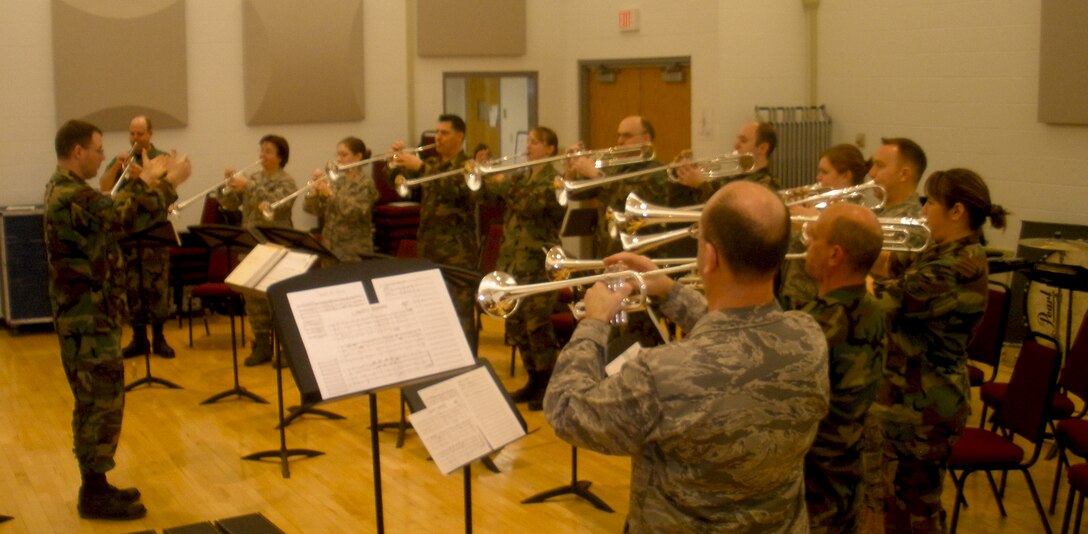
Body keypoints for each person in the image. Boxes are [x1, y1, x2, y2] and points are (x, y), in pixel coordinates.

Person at [545, 181, 830, 532]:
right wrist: (670, 292)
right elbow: (738, 338)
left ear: (710, 256)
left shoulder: (663, 373)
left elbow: (565, 410)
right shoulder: (809, 337)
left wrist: (594, 322)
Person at [44, 119, 191, 519]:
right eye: (97, 149)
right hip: (87, 321)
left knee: (100, 403)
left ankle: (98, 483)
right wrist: (167, 181)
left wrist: (147, 181)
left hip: (94, 317)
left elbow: (111, 207)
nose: (103, 155)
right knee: (98, 404)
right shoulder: (70, 195)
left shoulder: (70, 190)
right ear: (78, 152)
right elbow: (122, 215)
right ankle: (93, 494)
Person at [871, 168, 1008, 532]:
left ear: (957, 211)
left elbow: (881, 300)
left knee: (915, 510)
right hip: (907, 398)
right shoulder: (937, 249)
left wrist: (837, 258)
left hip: (926, 406)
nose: (924, 208)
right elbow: (886, 265)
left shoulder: (957, 266)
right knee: (900, 505)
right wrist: (845, 237)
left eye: (930, 201)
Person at [799, 203, 887, 532]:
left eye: (815, 237)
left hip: (814, 483)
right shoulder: (874, 308)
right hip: (848, 474)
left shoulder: (818, 324)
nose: (807, 244)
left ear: (835, 255)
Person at [481, 127, 565, 411]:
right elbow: (491, 194)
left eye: (537, 142)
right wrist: (484, 171)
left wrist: (503, 182)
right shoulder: (521, 177)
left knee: (537, 325)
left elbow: (530, 204)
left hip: (538, 263)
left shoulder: (555, 180)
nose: (529, 146)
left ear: (551, 148)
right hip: (513, 261)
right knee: (516, 325)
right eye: (529, 141)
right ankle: (533, 380)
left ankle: (548, 384)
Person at [389, 115, 478, 341]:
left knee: (460, 317)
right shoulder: (434, 165)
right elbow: (397, 182)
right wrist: (394, 163)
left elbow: (454, 189)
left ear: (460, 136)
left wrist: (419, 166)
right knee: (434, 317)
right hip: (429, 251)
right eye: (437, 132)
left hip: (457, 255)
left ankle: (469, 367)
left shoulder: (468, 166)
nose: (438, 137)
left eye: (444, 133)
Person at [99, 116, 178, 359]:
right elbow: (105, 188)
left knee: (157, 287)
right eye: (132, 134)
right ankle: (138, 338)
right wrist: (116, 167)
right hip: (128, 233)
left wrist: (144, 177)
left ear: (150, 134)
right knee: (131, 287)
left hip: (154, 231)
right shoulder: (122, 159)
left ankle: (159, 338)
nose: (135, 139)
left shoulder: (161, 158)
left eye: (140, 134)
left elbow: (169, 193)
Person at [217, 134, 296, 366]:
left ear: (280, 157)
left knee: (276, 299)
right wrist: (228, 185)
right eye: (261, 150)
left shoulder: (286, 182)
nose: (262, 155)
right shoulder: (254, 178)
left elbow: (279, 205)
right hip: (252, 247)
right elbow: (229, 204)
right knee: (253, 299)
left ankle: (285, 348)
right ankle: (261, 344)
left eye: (268, 151)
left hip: (275, 248)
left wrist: (249, 186)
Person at [779, 143, 869, 310]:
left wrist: (807, 222)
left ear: (845, 176)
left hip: (812, 295)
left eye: (824, 172)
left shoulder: (852, 212)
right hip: (793, 287)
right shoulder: (821, 204)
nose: (818, 177)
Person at [565, 115, 669, 257]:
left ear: (646, 138)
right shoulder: (612, 168)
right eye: (619, 136)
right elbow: (574, 193)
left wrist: (596, 176)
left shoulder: (657, 171)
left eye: (627, 136)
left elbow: (632, 202)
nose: (620, 141)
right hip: (607, 251)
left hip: (641, 253)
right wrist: (570, 168)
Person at [303, 136, 380, 265]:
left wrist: (330, 195)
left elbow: (355, 213)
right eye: (338, 155)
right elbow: (312, 210)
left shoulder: (365, 183)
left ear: (358, 156)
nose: (338, 159)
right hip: (329, 250)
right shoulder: (336, 180)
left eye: (344, 155)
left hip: (353, 252)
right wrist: (314, 192)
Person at [673, 120, 781, 198]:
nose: (736, 146)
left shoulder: (768, 185)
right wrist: (684, 174)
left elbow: (732, 213)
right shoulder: (731, 178)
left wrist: (702, 185)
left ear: (762, 148)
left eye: (743, 141)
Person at [867, 137, 927, 279]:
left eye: (879, 165)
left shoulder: (914, 222)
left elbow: (887, 270)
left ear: (904, 174)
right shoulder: (878, 211)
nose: (871, 173)